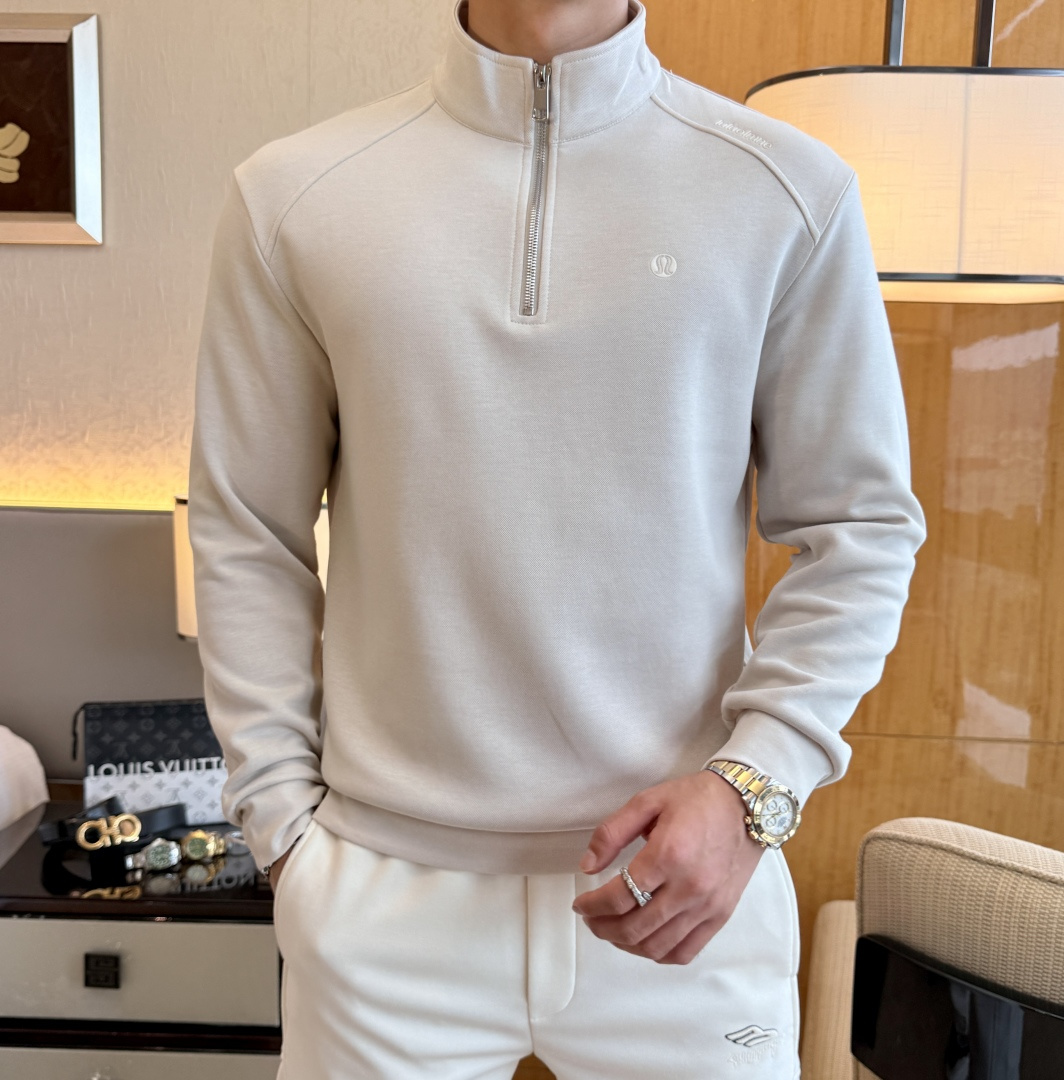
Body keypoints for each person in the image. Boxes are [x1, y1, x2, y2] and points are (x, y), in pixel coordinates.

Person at [186, 0, 926, 1076]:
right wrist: (283, 830)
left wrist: (752, 789)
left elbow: (860, 527)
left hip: (690, 890)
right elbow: (248, 530)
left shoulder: (786, 191)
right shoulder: (296, 197)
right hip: (381, 903)